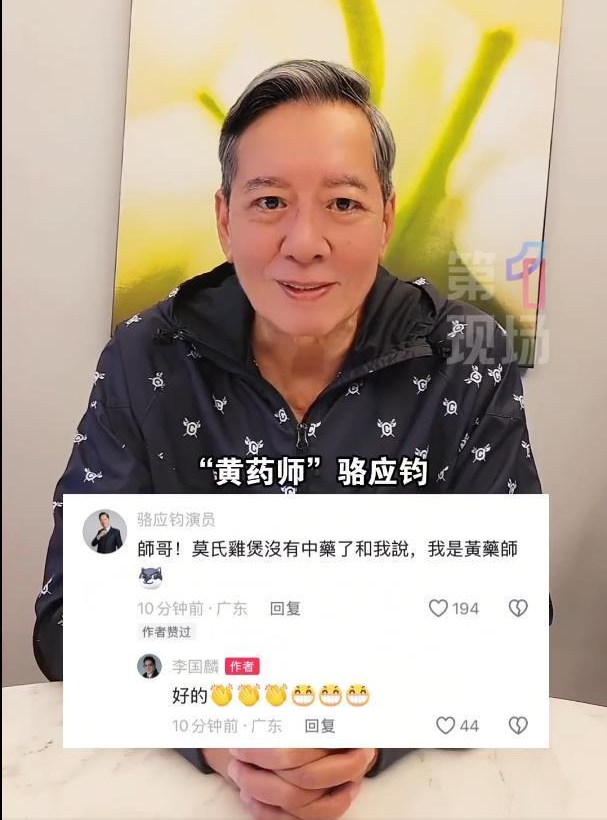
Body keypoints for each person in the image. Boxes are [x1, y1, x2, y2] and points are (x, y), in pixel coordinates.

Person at [34, 59, 551, 819]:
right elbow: (70, 617)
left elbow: (510, 621)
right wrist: (216, 739)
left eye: (342, 203)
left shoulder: (466, 362)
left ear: (385, 216)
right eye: (269, 201)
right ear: (224, 218)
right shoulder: (147, 357)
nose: (304, 242)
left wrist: (370, 738)